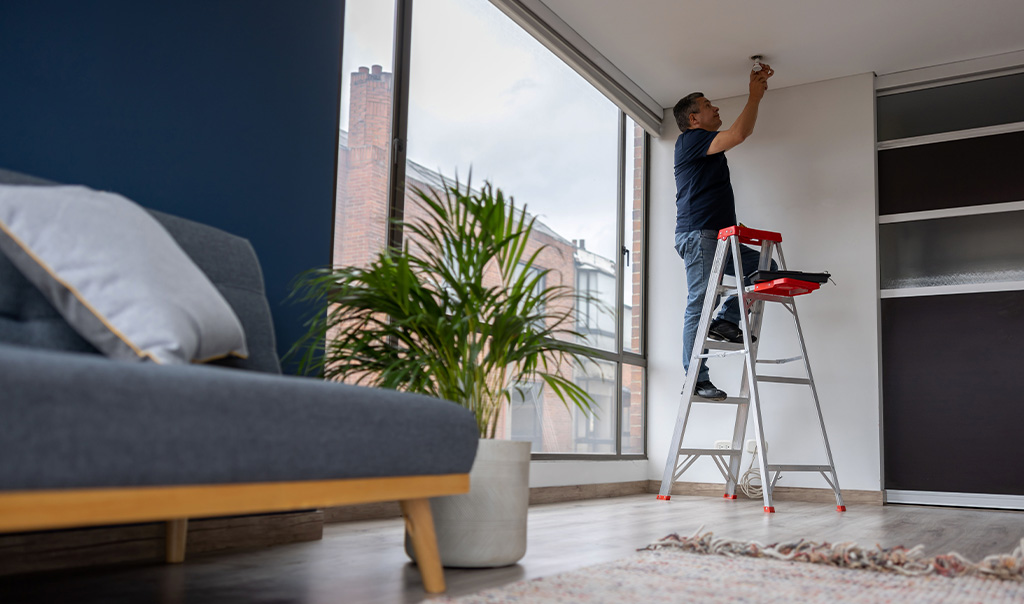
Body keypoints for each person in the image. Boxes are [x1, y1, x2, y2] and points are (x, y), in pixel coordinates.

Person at [673, 64, 776, 401]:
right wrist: (754, 96)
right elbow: (739, 134)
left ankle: (727, 319)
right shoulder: (690, 140)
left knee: (765, 270)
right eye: (708, 106)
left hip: (719, 237)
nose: (716, 108)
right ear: (693, 119)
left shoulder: (703, 144)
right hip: (699, 235)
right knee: (699, 303)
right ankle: (695, 379)